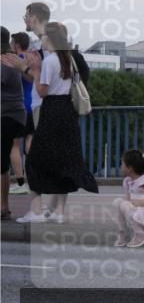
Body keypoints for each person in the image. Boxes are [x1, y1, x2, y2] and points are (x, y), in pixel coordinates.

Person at [4, 22, 98, 223]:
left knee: (35, 160)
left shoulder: (50, 62)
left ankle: (37, 211)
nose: (42, 40)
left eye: (44, 37)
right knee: (63, 161)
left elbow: (42, 91)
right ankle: (59, 213)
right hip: (67, 112)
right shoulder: (68, 59)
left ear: (51, 39)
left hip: (52, 110)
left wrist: (30, 69)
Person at [113, 149, 144, 248]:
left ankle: (141, 235)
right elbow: (127, 198)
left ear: (130, 168)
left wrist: (142, 202)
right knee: (118, 202)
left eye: (122, 164)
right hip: (136, 215)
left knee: (124, 204)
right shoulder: (128, 181)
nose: (120, 167)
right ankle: (123, 234)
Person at [1, 27, 27, 221]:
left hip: (7, 116)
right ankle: (4, 206)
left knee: (2, 163)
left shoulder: (4, 61)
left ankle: (4, 206)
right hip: (14, 115)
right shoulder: (9, 59)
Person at [8, 31, 33, 194]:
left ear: (16, 44)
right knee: (30, 142)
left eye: (11, 43)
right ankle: (36, 179)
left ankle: (20, 182)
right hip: (33, 105)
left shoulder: (17, 61)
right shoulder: (32, 58)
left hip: (19, 107)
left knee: (14, 145)